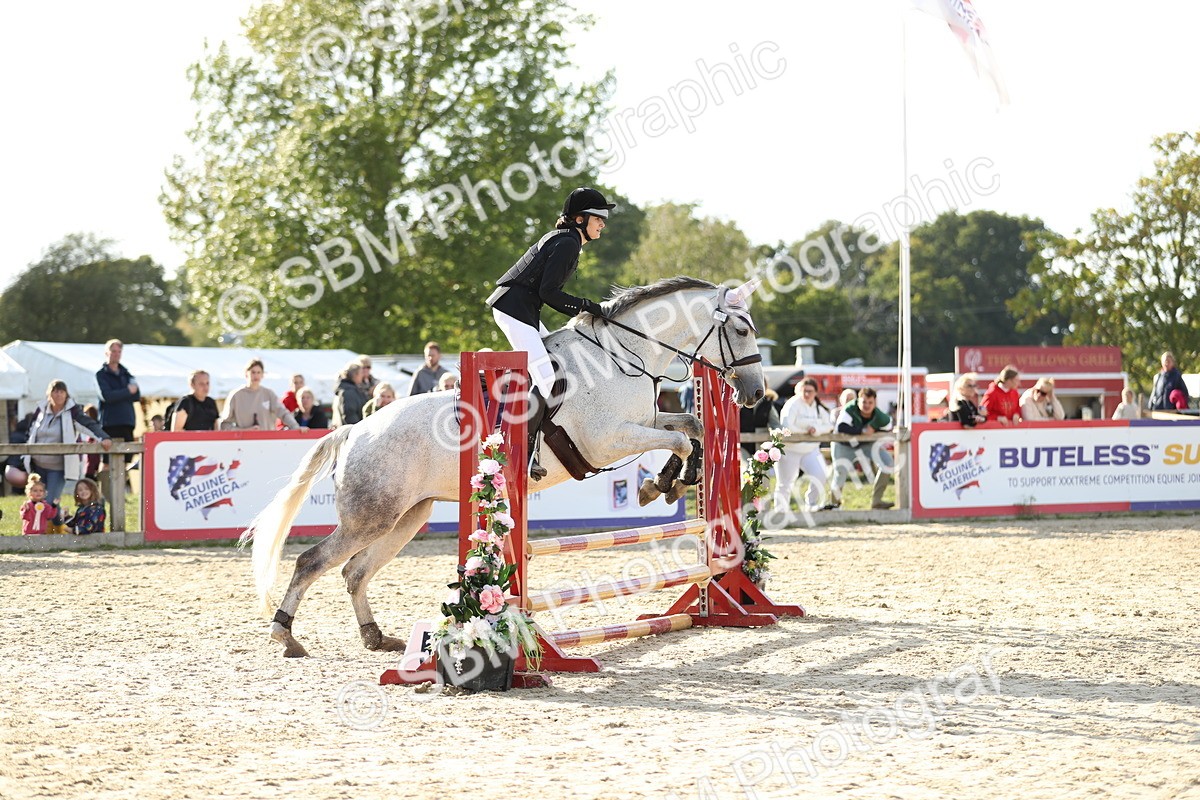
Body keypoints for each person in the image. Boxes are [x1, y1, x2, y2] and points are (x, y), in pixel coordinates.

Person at [486, 186, 614, 478]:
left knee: (557, 365)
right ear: (580, 219)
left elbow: (546, 293)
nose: (603, 224)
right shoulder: (568, 242)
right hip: (513, 308)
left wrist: (586, 307)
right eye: (599, 218)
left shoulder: (568, 240)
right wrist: (587, 306)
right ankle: (523, 453)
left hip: (524, 309)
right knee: (548, 379)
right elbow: (549, 292)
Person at [24, 380, 113, 504]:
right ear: (49, 394)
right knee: (38, 502)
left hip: (57, 467)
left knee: (50, 502)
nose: (58, 394)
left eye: (61, 391)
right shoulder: (41, 410)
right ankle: (56, 522)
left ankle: (59, 521)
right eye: (55, 391)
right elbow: (30, 431)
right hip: (37, 465)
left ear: (66, 394)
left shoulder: (73, 412)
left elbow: (89, 424)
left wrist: (103, 438)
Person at [773, 378, 832, 515]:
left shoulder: (818, 407)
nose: (807, 394)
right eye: (804, 391)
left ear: (816, 392)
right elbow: (787, 426)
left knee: (821, 475)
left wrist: (816, 429)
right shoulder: (792, 404)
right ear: (798, 391)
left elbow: (829, 425)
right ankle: (780, 512)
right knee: (785, 482)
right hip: (790, 449)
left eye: (810, 391)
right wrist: (806, 431)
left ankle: (811, 505)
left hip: (810, 449)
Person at [830, 387, 895, 510]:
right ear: (858, 401)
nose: (867, 405)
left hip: (866, 444)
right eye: (864, 402)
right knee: (840, 474)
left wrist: (874, 427)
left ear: (875, 403)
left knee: (888, 463)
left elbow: (888, 425)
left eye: (870, 402)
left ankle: (877, 501)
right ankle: (834, 506)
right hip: (844, 445)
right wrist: (863, 431)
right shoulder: (849, 409)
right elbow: (841, 427)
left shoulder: (878, 414)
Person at [218, 359, 300, 430]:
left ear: (262, 374)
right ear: (246, 374)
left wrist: (295, 427)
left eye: (258, 372)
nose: (256, 375)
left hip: (266, 440)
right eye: (253, 372)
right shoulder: (236, 395)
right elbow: (225, 424)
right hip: (243, 442)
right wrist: (244, 431)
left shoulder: (268, 394)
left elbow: (283, 413)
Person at [95, 339, 141, 443]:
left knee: (128, 458)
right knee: (109, 458)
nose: (116, 354)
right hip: (109, 424)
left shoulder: (127, 374)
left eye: (119, 351)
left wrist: (118, 393)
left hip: (127, 422)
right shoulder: (101, 375)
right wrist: (127, 391)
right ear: (107, 353)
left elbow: (137, 395)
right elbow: (107, 396)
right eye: (113, 351)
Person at [740, 388, 781, 460]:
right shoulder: (740, 402)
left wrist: (777, 434)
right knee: (746, 467)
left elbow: (775, 424)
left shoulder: (768, 404)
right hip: (742, 444)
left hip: (760, 445)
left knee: (761, 469)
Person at [333, 362, 368, 427]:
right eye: (361, 373)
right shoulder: (348, 391)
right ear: (355, 375)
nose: (362, 375)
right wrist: (358, 429)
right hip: (354, 431)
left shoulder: (351, 389)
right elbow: (350, 415)